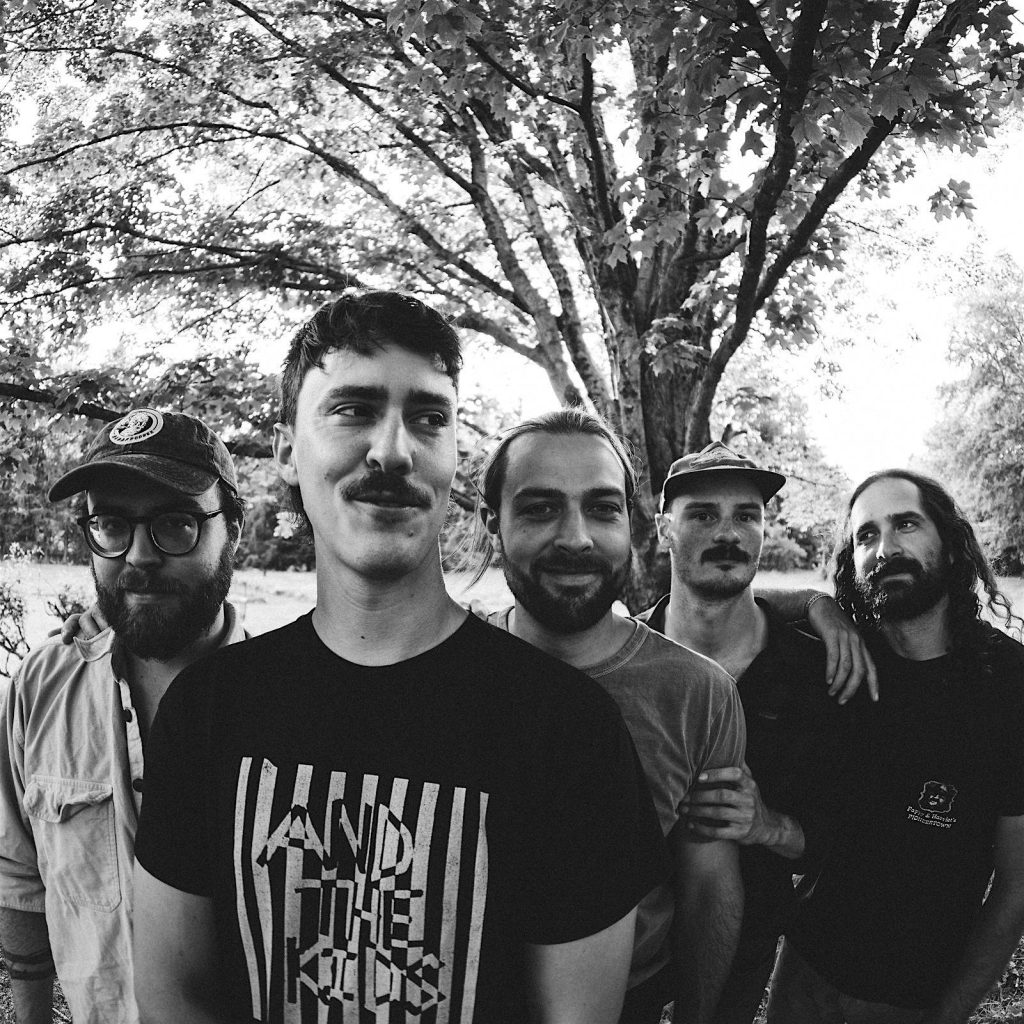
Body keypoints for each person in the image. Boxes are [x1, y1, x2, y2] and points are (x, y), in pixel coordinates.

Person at [130, 291, 668, 1024]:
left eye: (429, 417)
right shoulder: (208, 711)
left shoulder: (569, 730)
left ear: (452, 456)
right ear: (287, 452)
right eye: (353, 410)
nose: (393, 451)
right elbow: (173, 996)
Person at [471, 409, 747, 1024]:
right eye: (540, 508)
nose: (576, 538)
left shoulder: (697, 693)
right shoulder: (445, 672)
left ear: (631, 524)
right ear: (494, 523)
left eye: (602, 508)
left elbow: (707, 884)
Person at [0, 409, 248, 1024]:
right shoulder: (43, 686)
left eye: (176, 523)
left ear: (233, 530)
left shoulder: (290, 702)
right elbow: (20, 877)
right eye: (110, 524)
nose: (138, 557)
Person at [767, 469, 1024, 1023]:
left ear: (950, 545)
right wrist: (816, 605)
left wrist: (947, 1015)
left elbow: (1016, 885)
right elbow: (732, 598)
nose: (885, 549)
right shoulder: (842, 660)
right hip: (804, 973)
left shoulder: (1009, 685)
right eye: (866, 535)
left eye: (906, 524)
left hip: (910, 997)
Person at [635, 441, 852, 1024]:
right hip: (621, 947)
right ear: (664, 529)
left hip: (745, 941)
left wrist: (767, 824)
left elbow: (842, 838)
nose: (728, 533)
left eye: (746, 516)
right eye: (703, 514)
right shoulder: (625, 661)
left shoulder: (817, 673)